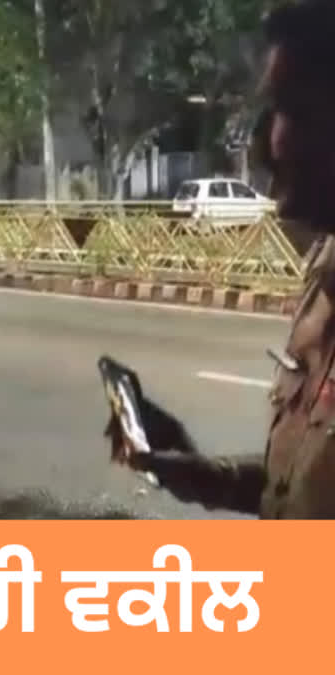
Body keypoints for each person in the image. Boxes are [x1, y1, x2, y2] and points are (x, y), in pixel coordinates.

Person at [106, 0, 335, 518]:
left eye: (289, 109)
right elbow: (301, 495)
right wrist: (203, 473)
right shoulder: (322, 282)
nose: (263, 144)